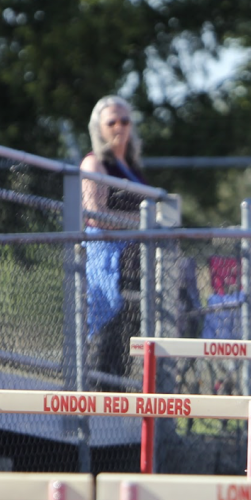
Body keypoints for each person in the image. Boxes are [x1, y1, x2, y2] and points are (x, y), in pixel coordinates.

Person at [81, 95, 148, 386]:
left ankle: (118, 396)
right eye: (112, 122)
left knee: (127, 336)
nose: (119, 127)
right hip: (109, 257)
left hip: (137, 259)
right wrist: (145, 222)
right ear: (100, 128)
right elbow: (95, 214)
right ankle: (96, 398)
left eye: (125, 120)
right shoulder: (95, 162)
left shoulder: (133, 167)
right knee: (108, 332)